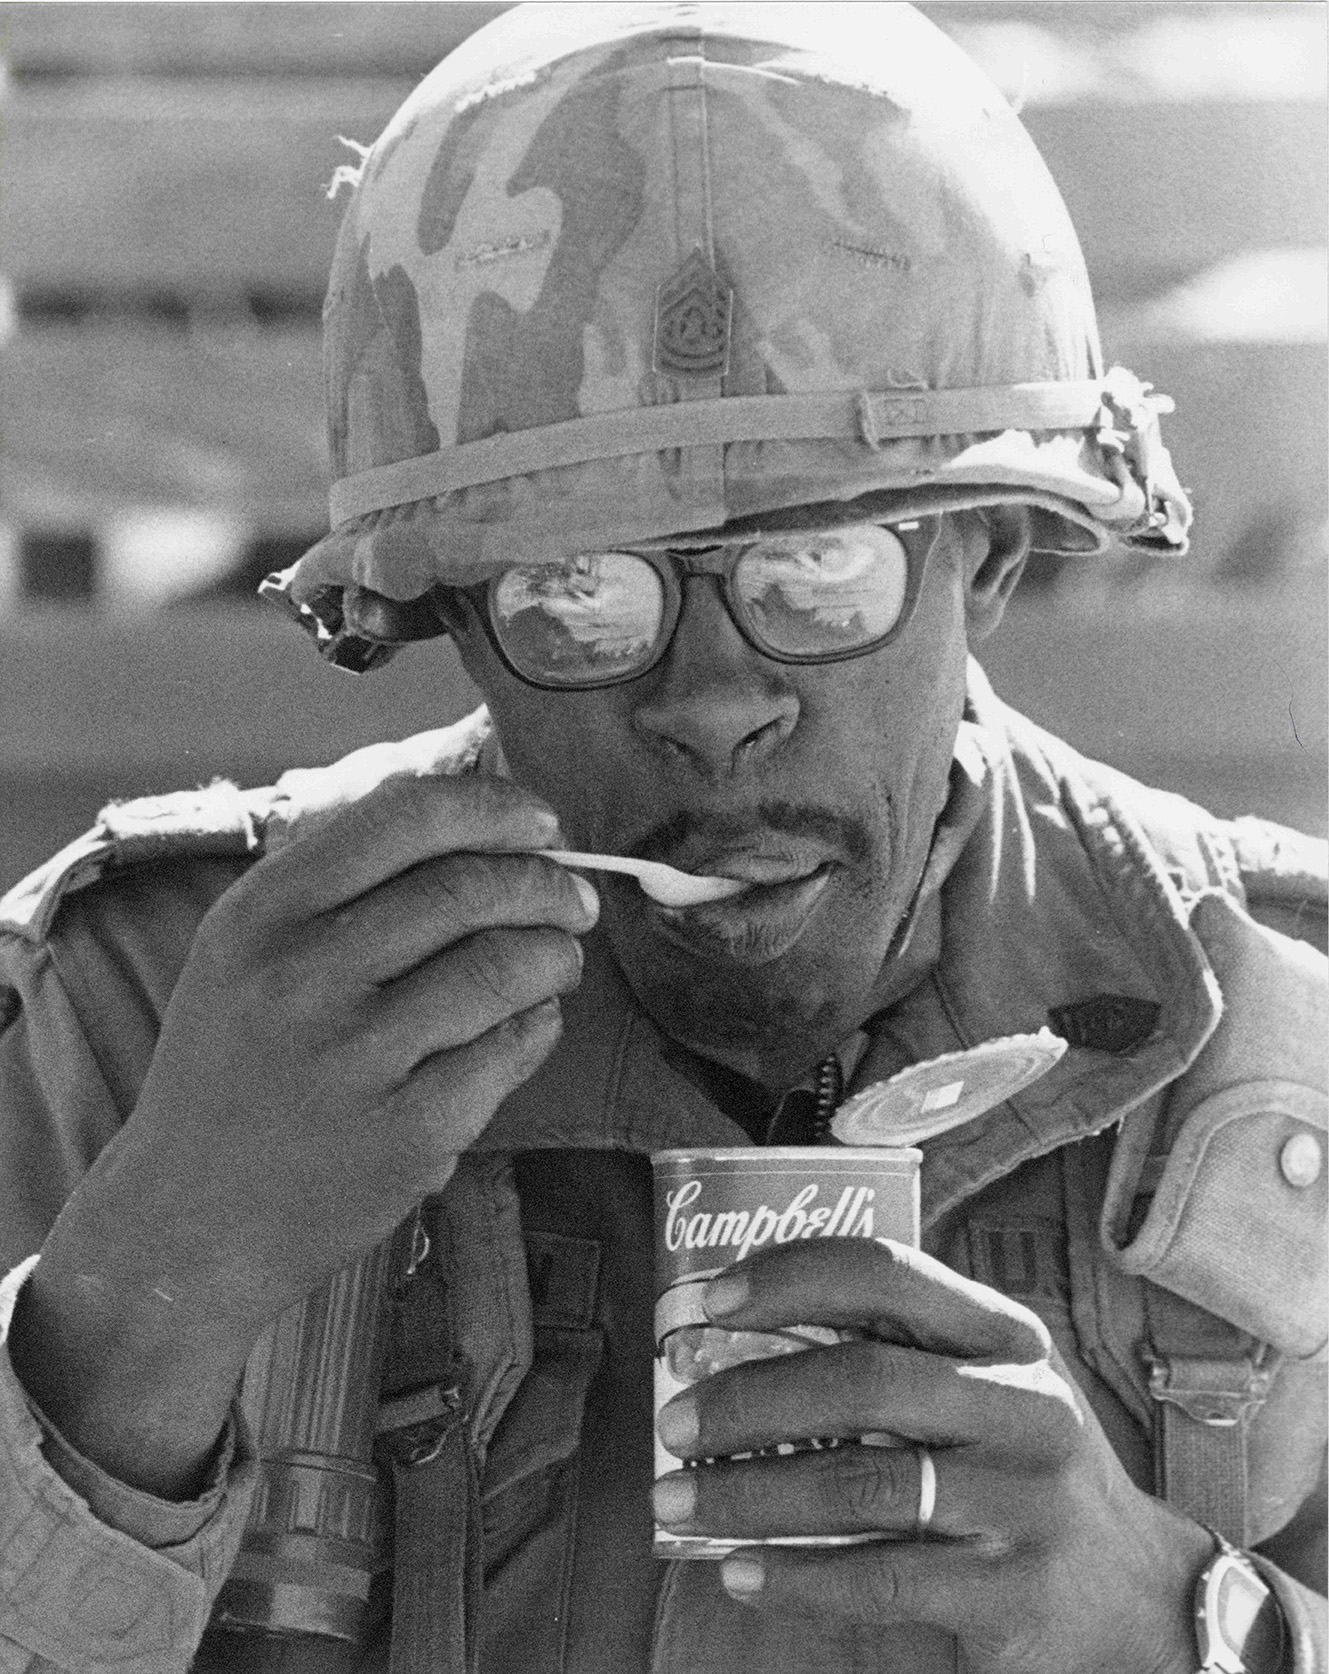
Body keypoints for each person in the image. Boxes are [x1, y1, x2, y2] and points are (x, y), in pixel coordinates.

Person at [0, 6, 1324, 1672]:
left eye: (815, 570)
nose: (708, 701)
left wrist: (1186, 1624)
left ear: (989, 554)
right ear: (451, 618)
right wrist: (150, 1290)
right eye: (576, 591)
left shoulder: (1281, 1039)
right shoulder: (137, 1019)